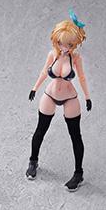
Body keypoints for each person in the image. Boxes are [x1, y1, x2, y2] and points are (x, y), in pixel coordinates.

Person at [26, 10, 92, 191]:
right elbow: (43, 71)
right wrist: (34, 88)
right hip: (50, 95)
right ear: (56, 40)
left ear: (75, 43)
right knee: (40, 130)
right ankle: (33, 162)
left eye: (69, 44)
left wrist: (87, 97)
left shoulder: (76, 58)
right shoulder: (52, 54)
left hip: (70, 98)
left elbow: (82, 77)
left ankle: (78, 174)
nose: (64, 47)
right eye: (61, 43)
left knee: (75, 135)